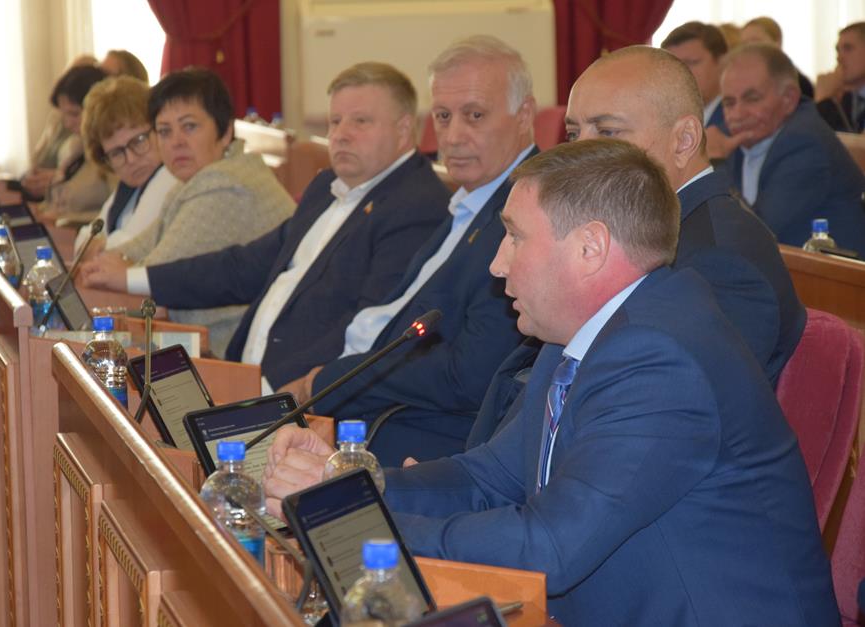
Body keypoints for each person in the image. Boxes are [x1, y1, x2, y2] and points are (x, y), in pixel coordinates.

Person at [263, 139, 839, 625]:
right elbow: (488, 477)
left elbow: (550, 548)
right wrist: (345, 484)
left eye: (514, 236)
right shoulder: (579, 336)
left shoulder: (661, 358)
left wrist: (357, 526)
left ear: (590, 248)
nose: (497, 264)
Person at [467, 44, 806, 447]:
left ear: (683, 140)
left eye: (608, 133)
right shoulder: (627, 230)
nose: (580, 153)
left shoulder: (720, 259)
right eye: (573, 134)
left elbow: (665, 428)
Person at [83, 62, 448, 391]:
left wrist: (263, 394)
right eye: (335, 121)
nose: (341, 134)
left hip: (294, 396)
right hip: (241, 372)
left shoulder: (414, 207)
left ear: (404, 130)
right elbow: (242, 267)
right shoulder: (326, 188)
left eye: (360, 121)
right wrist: (128, 279)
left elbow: (366, 331)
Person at [279, 35, 532, 465]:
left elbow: (468, 376)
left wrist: (329, 381)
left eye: (474, 115)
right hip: (365, 416)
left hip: (425, 448)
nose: (453, 136)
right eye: (443, 116)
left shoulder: (521, 214)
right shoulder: (470, 203)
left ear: (523, 115)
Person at [80, 68, 294, 356]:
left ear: (225, 132)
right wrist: (114, 266)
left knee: (92, 354)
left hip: (233, 351)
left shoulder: (223, 182)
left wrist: (119, 270)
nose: (176, 141)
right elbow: (133, 252)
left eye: (189, 126)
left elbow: (153, 280)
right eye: (165, 131)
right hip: (200, 339)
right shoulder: (193, 181)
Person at [721, 43, 865, 254]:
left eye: (752, 99)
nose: (737, 114)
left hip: (830, 273)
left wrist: (713, 164)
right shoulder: (739, 137)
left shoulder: (805, 142)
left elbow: (755, 236)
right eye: (729, 103)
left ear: (788, 99)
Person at [74, 76, 178, 255]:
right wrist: (103, 247)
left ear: (159, 130)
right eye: (116, 153)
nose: (131, 159)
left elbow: (129, 249)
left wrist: (101, 247)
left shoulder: (168, 177)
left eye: (138, 141)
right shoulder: (129, 188)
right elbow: (83, 241)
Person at [36, 65, 116, 219]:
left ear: (97, 109)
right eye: (64, 115)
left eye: (74, 114)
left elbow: (118, 215)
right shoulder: (76, 149)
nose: (67, 124)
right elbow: (57, 202)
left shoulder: (114, 153)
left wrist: (63, 220)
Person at [660, 21, 737, 161]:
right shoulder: (664, 121)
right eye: (673, 67)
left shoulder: (735, 121)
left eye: (691, 63)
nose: (681, 73)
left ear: (722, 63)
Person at [740, 16, 815, 98]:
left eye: (756, 41)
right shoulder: (742, 81)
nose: (750, 48)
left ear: (777, 42)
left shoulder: (797, 82)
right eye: (745, 44)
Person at [816, 22, 865, 132]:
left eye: (848, 48)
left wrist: (823, 102)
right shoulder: (843, 98)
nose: (839, 57)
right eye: (838, 50)